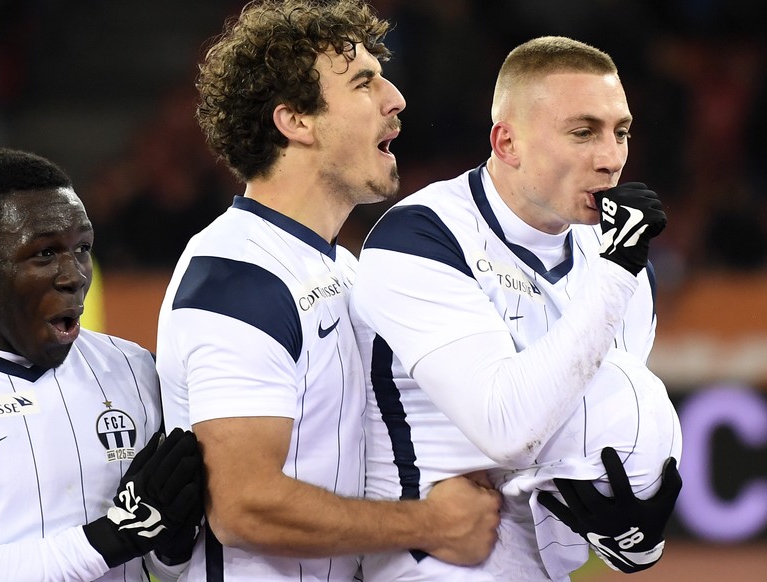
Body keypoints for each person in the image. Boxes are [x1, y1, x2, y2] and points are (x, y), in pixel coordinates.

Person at [155, 1, 501, 580]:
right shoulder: (238, 278)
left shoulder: (341, 267)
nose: (396, 99)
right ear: (296, 121)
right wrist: (429, 523)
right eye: (364, 84)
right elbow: (245, 506)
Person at [349, 36, 683, 581]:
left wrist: (631, 532)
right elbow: (506, 428)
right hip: (431, 566)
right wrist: (617, 273)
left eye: (620, 132)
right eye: (583, 132)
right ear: (507, 143)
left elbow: (599, 432)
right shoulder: (422, 236)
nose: (611, 159)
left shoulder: (626, 266)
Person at [0, 148, 204, 581]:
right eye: (45, 254)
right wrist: (113, 537)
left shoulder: (136, 372)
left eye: (82, 248)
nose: (74, 274)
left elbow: (171, 566)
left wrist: (172, 542)